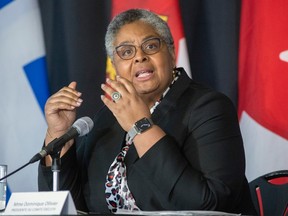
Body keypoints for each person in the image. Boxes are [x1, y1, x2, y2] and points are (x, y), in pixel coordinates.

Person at [38, 9, 256, 215]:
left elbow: (210, 204)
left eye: (151, 46)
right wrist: (58, 135)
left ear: (171, 53)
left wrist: (141, 126)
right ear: (114, 65)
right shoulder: (107, 117)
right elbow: (69, 206)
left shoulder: (209, 108)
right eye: (126, 52)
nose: (139, 57)